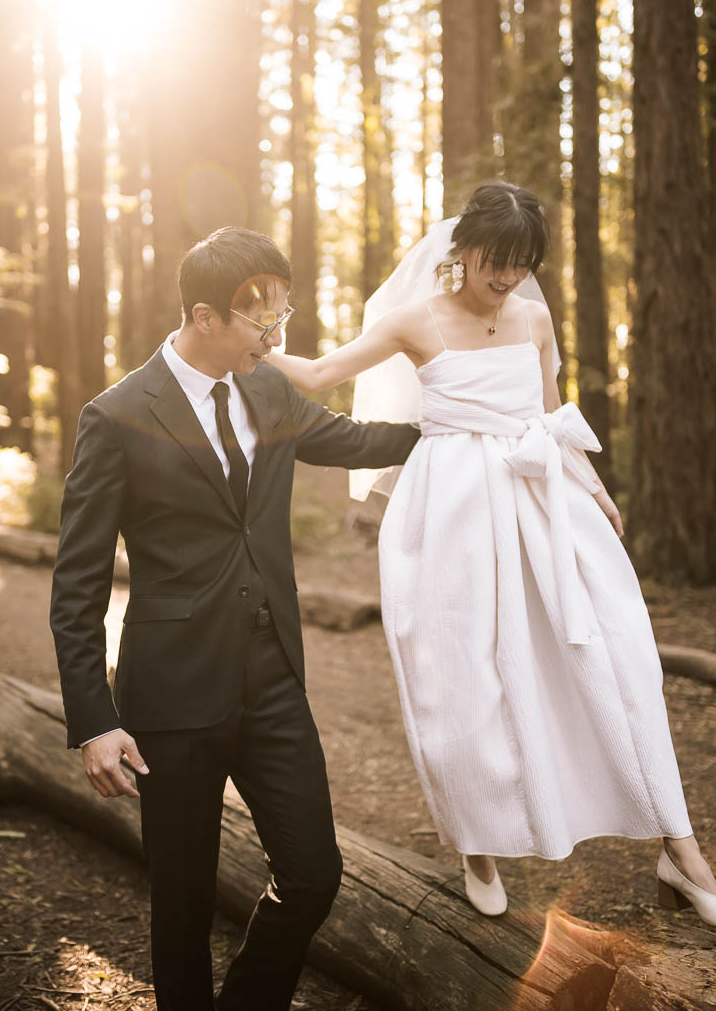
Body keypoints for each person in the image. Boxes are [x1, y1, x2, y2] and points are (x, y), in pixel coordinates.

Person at [266, 182, 716, 924]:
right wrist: (257, 349)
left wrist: (595, 490)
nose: (505, 275)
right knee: (460, 673)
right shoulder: (415, 320)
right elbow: (320, 378)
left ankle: (680, 848)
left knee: (618, 659)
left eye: (520, 262)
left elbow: (550, 420)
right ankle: (477, 843)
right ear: (463, 247)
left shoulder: (534, 319)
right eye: (493, 259)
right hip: (450, 513)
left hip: (545, 505)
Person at [49, 226, 419, 1011]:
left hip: (274, 680)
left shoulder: (271, 390)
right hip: (171, 698)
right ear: (205, 316)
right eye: (263, 322)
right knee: (181, 905)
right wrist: (93, 718)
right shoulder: (114, 416)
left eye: (284, 316)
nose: (277, 337)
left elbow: (353, 439)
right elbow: (76, 582)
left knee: (314, 874)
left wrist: (459, 434)